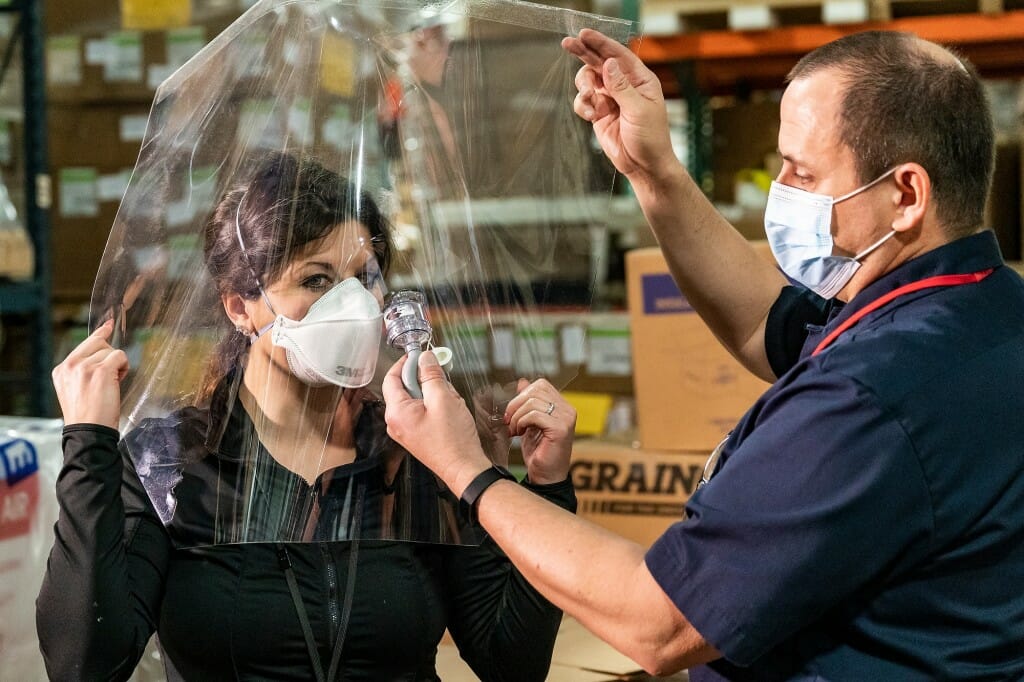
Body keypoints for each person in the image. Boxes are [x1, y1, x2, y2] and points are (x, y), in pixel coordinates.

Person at [381, 29, 1024, 680]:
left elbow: (655, 621)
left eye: (801, 173)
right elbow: (767, 325)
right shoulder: (985, 314)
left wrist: (466, 470)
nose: (782, 190)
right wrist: (651, 170)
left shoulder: (874, 393)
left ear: (906, 194)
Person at [37, 152, 580, 681]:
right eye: (316, 280)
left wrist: (548, 485)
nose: (354, 305)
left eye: (364, 278)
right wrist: (88, 445)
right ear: (239, 306)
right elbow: (85, 663)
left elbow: (513, 663)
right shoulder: (171, 463)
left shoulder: (418, 451)